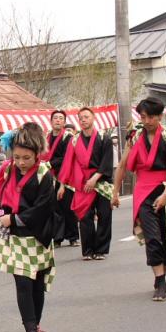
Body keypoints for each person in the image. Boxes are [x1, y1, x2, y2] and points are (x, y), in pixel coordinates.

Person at [0, 122, 56, 332]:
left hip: (37, 236)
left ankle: (35, 330)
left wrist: (15, 218)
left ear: (37, 154)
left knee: (37, 286)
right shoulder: (8, 169)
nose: (20, 162)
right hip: (15, 238)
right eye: (17, 156)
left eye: (26, 158)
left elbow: (44, 208)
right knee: (22, 283)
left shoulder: (44, 174)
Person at [113, 98, 166, 301]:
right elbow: (122, 165)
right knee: (153, 237)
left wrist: (165, 193)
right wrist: (115, 192)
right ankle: (160, 282)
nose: (148, 121)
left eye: (152, 117)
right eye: (144, 117)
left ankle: (161, 277)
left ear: (160, 117)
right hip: (143, 191)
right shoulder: (134, 138)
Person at [58, 107, 114, 260]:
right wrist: (62, 184)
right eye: (80, 118)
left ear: (93, 118)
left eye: (86, 117)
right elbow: (68, 162)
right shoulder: (75, 140)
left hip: (101, 180)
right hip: (83, 182)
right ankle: (88, 250)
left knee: (104, 215)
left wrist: (94, 179)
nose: (83, 120)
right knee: (85, 217)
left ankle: (101, 250)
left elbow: (107, 161)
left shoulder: (104, 137)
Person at [41, 110, 79, 247]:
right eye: (55, 118)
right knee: (54, 208)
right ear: (51, 121)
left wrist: (51, 163)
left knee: (68, 207)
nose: (58, 120)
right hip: (49, 176)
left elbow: (66, 157)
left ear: (64, 122)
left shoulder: (68, 137)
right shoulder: (46, 137)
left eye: (61, 118)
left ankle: (73, 236)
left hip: (66, 175)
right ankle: (57, 238)